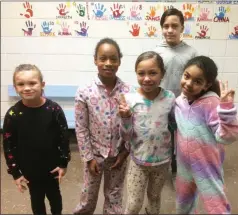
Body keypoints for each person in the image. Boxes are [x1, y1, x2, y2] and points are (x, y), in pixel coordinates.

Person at [173, 56, 238, 214]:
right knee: (183, 202)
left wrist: (226, 108)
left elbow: (226, 136)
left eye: (197, 81)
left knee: (216, 205)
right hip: (184, 164)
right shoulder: (179, 101)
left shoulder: (211, 102)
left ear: (207, 85)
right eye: (186, 76)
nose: (189, 83)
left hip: (206, 164)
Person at [2, 64, 71, 215]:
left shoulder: (54, 110)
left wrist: (63, 163)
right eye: (21, 84)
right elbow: (8, 146)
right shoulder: (13, 115)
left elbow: (64, 137)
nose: (27, 88)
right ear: (15, 87)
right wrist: (15, 173)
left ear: (42, 84)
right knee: (37, 201)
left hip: (52, 168)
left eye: (32, 83)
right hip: (30, 170)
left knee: (55, 200)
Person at [73, 38, 131, 214]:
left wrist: (125, 151)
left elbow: (133, 125)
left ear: (119, 61)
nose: (108, 63)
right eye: (103, 58)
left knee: (114, 198)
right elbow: (81, 128)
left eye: (113, 59)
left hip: (118, 156)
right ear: (95, 60)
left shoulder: (128, 92)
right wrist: (88, 158)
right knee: (88, 198)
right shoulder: (85, 91)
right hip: (94, 155)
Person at [118, 51, 175, 215]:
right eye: (141, 73)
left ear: (162, 74)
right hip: (138, 162)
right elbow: (126, 136)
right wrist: (125, 118)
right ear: (136, 74)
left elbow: (173, 125)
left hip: (162, 162)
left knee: (155, 197)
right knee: (134, 203)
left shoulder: (169, 98)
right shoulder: (130, 100)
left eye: (153, 73)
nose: (147, 78)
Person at [154, 8, 198, 173]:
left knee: (182, 136)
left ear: (182, 28)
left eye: (174, 26)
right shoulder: (156, 52)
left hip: (184, 104)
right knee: (162, 135)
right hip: (161, 103)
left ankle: (181, 164)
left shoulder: (191, 53)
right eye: (166, 26)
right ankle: (162, 162)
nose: (170, 30)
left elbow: (196, 79)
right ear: (162, 28)